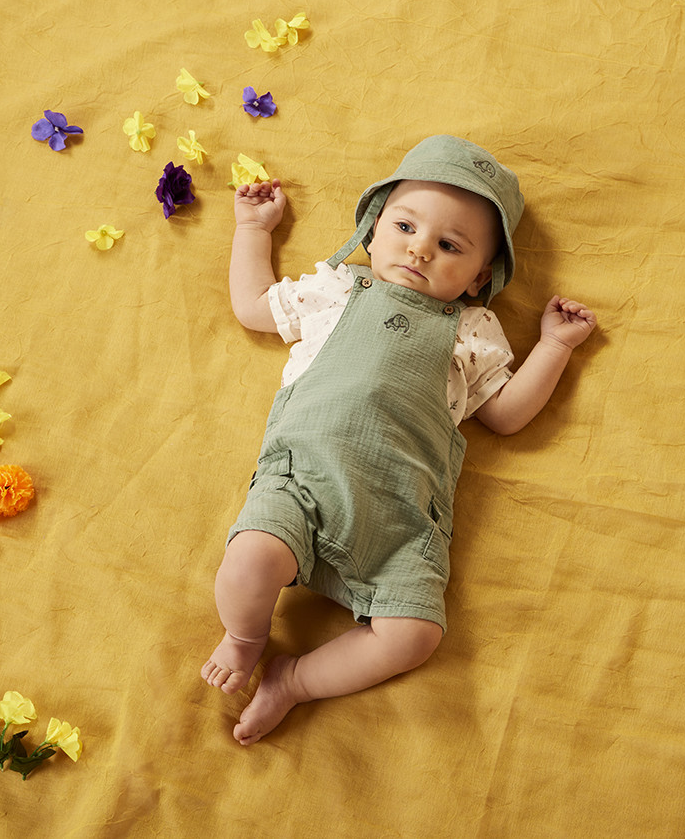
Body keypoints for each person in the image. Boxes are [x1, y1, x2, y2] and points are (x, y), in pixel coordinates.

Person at [201, 135, 597, 745]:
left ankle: (295, 681)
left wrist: (554, 347)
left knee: (415, 636)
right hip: (300, 479)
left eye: (449, 246)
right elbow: (254, 305)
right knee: (250, 559)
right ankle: (247, 637)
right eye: (405, 226)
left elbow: (508, 414)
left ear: (478, 278)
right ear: (374, 225)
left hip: (403, 518)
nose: (419, 248)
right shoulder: (336, 288)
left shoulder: (474, 331)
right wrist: (254, 230)